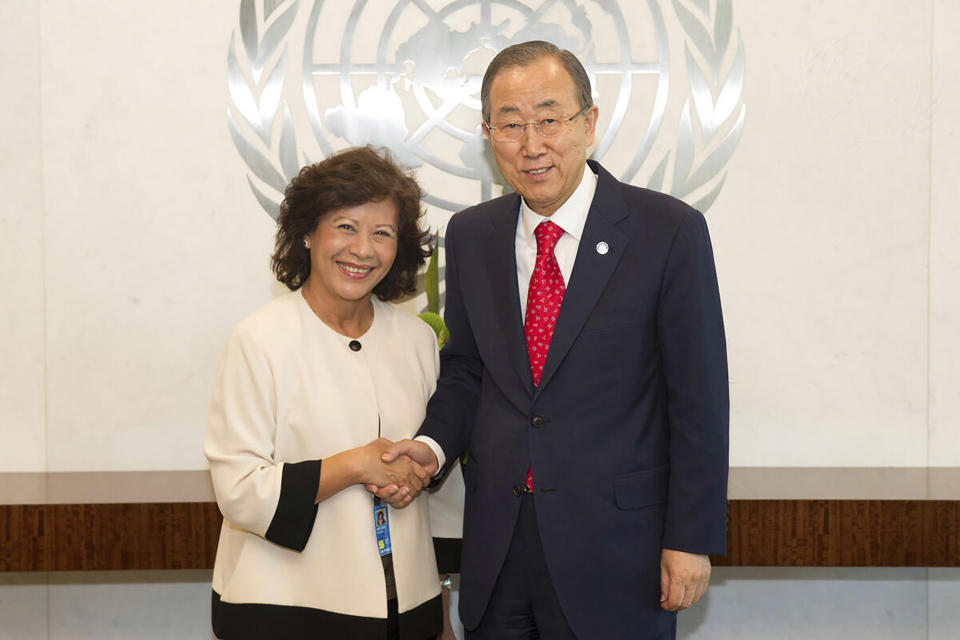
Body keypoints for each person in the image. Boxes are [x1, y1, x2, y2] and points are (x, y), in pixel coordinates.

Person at [378, 41, 729, 640]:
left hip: (620, 552)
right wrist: (432, 447)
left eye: (548, 119)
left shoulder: (666, 231)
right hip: (499, 542)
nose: (531, 144)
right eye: (511, 124)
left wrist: (690, 540)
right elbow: (466, 370)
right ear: (489, 134)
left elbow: (698, 399)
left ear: (588, 123)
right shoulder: (471, 236)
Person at [203, 146, 445, 639]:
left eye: (382, 232)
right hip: (285, 609)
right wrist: (355, 464)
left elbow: (430, 476)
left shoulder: (417, 339)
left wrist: (412, 476)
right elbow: (239, 490)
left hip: (405, 606)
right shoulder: (259, 340)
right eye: (346, 227)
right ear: (309, 234)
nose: (363, 249)